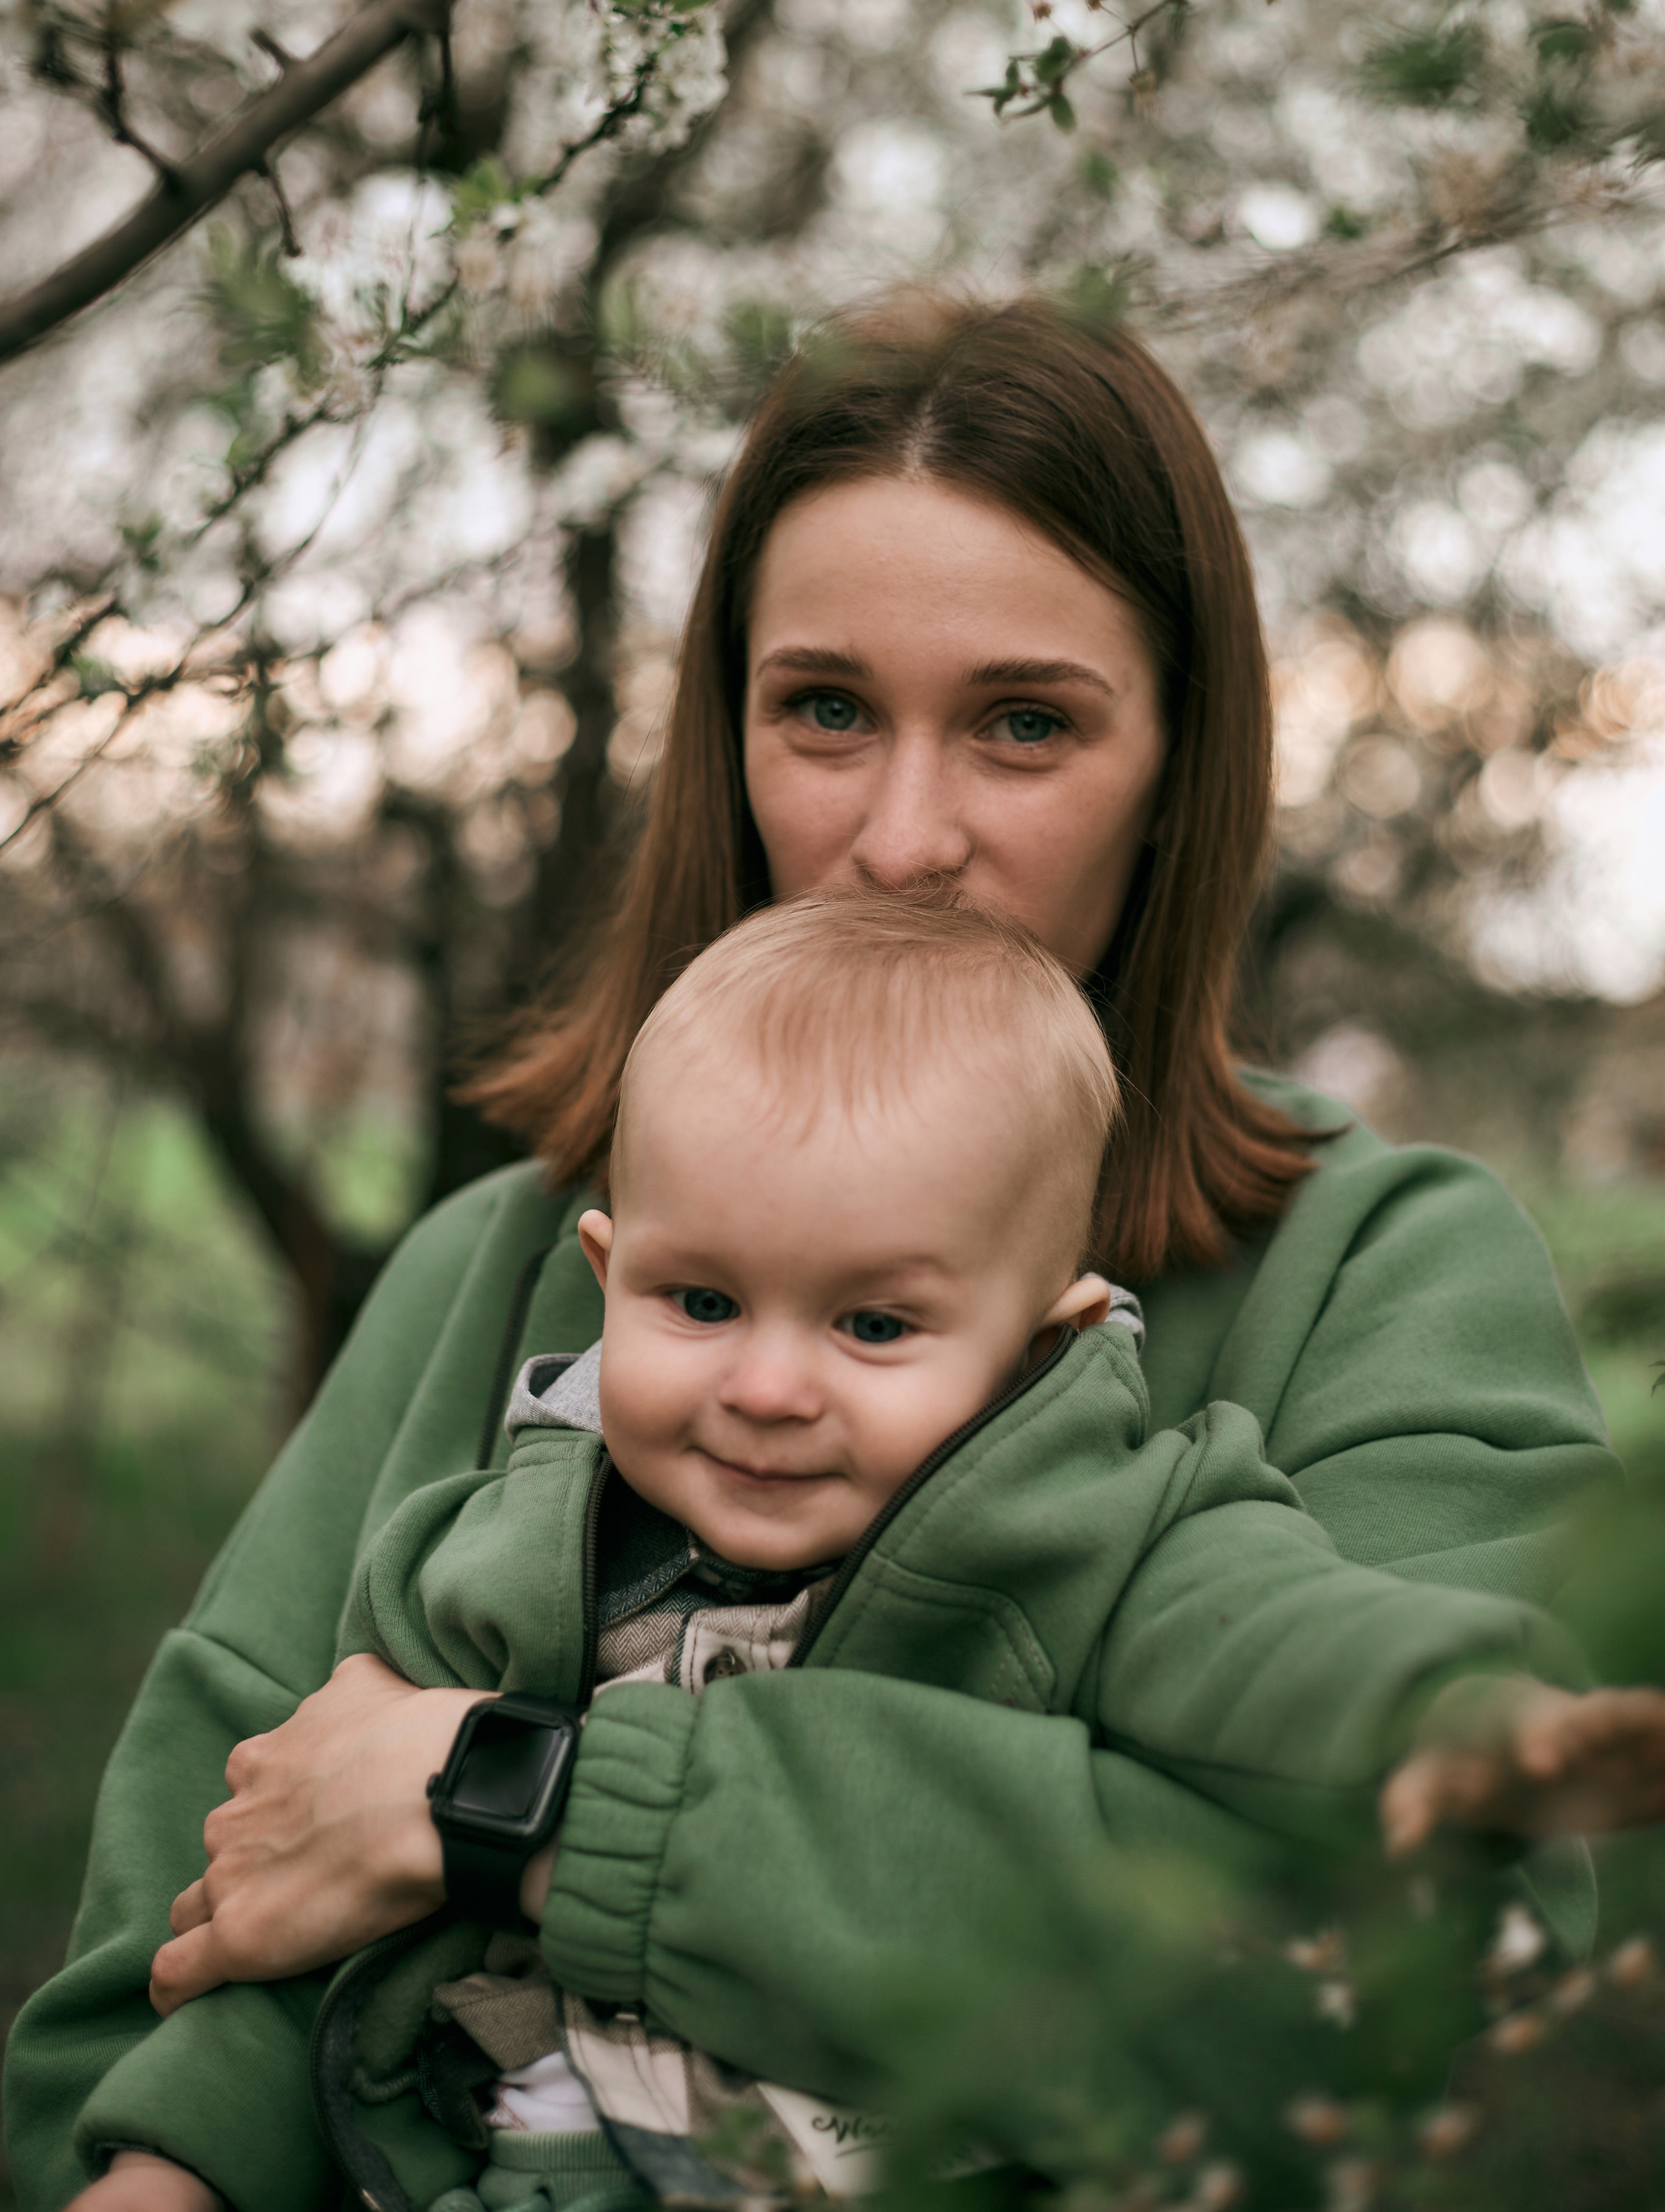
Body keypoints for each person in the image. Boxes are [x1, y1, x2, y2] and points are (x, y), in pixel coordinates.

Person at [3, 293, 1623, 2212]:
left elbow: (1478, 1998)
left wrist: (513, 1805)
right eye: (828, 711)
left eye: (1026, 724)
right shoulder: (496, 1275)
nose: (903, 835)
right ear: (731, 734)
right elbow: (164, 1984)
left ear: (1184, 770)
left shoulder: (1373, 1268)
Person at [51, 893, 1665, 2212]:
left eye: (874, 1323)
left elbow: (1280, 1645)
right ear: (604, 1272)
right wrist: (171, 2162)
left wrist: (1476, 1721)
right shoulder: (501, 1550)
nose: (764, 1385)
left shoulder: (1097, 1524)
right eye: (699, 1303)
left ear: (1044, 1341)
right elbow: (295, 1912)